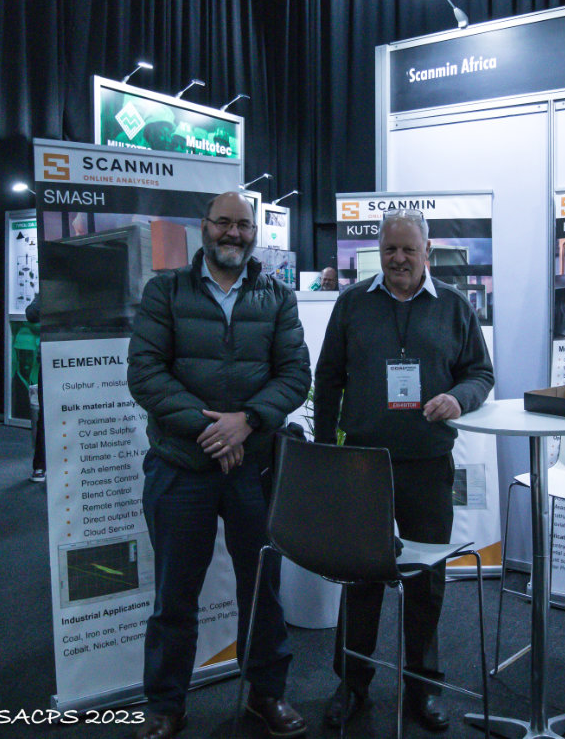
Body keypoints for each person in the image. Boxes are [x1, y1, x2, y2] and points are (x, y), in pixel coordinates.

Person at [127, 192, 311, 739]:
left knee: (263, 588)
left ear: (254, 232)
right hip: (180, 465)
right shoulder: (165, 291)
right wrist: (213, 431)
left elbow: (294, 375)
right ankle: (166, 704)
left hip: (255, 467)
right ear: (204, 227)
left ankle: (266, 695)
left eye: (243, 225)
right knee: (174, 593)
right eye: (224, 222)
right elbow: (146, 374)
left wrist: (246, 421)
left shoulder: (276, 297)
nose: (234, 233)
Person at [314, 208, 494, 732]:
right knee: (362, 577)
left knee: (426, 581)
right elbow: (328, 378)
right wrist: (326, 451)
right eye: (390, 249)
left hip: (428, 464)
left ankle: (424, 686)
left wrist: (459, 398)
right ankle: (352, 683)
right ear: (380, 251)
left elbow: (480, 373)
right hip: (364, 466)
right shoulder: (352, 303)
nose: (398, 259)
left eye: (408, 250)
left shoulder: (455, 307)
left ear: (426, 253)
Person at [25, 293, 46, 482]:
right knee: (45, 416)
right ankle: (40, 465)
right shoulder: (46, 291)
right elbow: (31, 314)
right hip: (50, 361)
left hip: (80, 358)